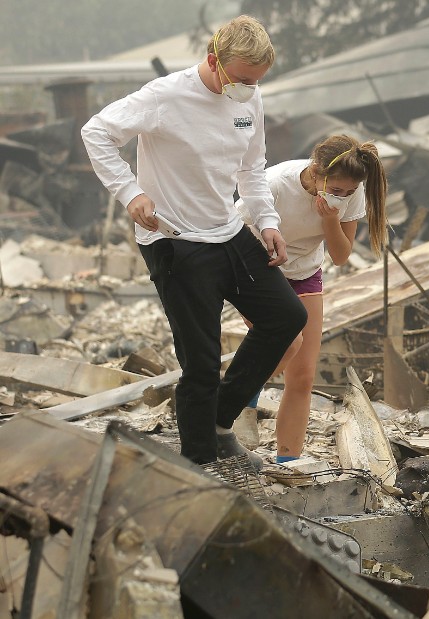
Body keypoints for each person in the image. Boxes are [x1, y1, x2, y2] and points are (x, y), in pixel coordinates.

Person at [81, 15, 307, 471]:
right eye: (242, 79)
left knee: (286, 316)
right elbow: (97, 132)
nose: (249, 88)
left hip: (227, 228)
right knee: (200, 362)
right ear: (213, 60)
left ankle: (218, 419)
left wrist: (267, 222)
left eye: (256, 81)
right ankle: (200, 463)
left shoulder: (249, 97)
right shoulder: (165, 97)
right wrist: (131, 193)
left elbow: (252, 166)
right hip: (175, 238)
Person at [237, 135, 387, 463]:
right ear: (316, 172)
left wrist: (331, 218)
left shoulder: (352, 192)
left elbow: (341, 254)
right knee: (283, 343)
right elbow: (234, 230)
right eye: (335, 190)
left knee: (303, 374)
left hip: (305, 272)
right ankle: (238, 403)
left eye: (348, 192)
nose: (342, 196)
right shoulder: (276, 185)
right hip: (257, 269)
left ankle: (287, 461)